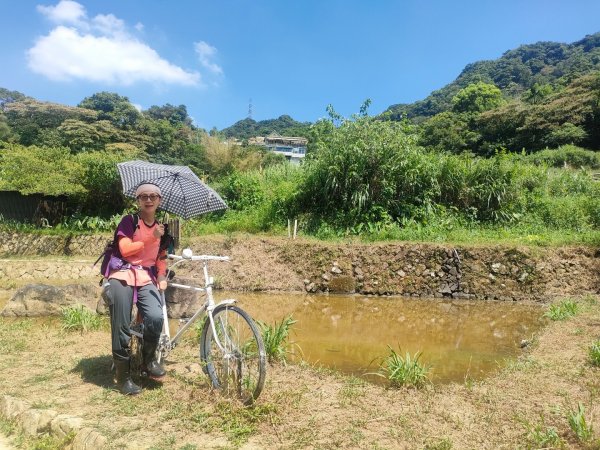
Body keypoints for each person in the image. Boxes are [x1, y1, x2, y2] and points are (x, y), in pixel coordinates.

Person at [106, 183, 168, 395]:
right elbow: (124, 249)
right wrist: (151, 238)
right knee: (121, 324)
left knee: (156, 316)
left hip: (145, 277)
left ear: (159, 200)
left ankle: (148, 361)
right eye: (143, 196)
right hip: (123, 273)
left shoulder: (162, 228)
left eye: (153, 196)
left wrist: (161, 274)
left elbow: (161, 256)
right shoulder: (129, 221)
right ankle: (123, 379)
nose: (148, 200)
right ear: (138, 200)